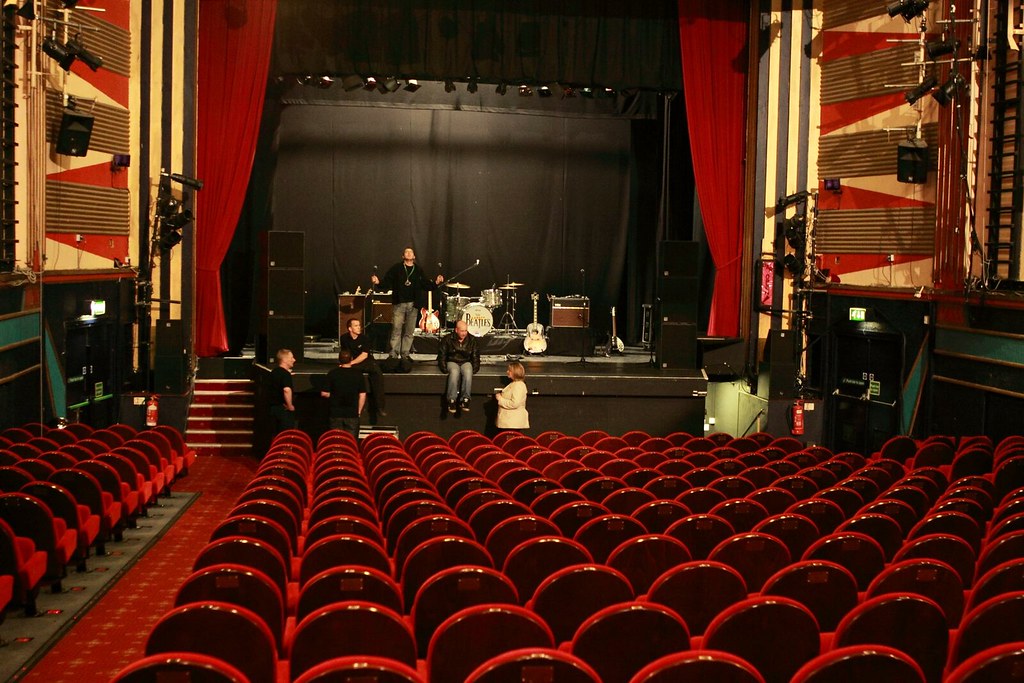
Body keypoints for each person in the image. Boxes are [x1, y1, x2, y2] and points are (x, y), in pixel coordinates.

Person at [371, 247, 443, 361]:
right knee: (396, 330)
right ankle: (394, 354)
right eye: (406, 252)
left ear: (414, 256)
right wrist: (378, 282)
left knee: (409, 331)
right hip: (399, 303)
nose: (409, 253)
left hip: (413, 305)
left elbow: (425, 284)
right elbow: (387, 281)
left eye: (411, 252)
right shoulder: (397, 268)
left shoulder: (418, 270)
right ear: (403, 256)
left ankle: (405, 354)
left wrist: (436, 283)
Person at [339, 317, 386, 415]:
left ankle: (380, 407)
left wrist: (352, 363)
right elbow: (346, 353)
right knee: (346, 373)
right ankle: (348, 405)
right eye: (356, 326)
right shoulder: (344, 338)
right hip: (353, 362)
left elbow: (364, 355)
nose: (359, 327)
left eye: (359, 325)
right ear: (350, 328)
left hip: (366, 361)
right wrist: (347, 363)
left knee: (377, 373)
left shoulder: (364, 339)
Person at [320, 348, 366, 438]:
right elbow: (362, 394)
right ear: (351, 359)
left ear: (339, 360)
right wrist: (359, 411)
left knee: (336, 441)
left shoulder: (332, 373)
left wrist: (333, 395)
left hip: (335, 413)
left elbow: (324, 393)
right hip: (352, 413)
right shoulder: (358, 374)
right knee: (350, 442)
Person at [438, 319, 480, 413]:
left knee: (468, 371)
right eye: (462, 331)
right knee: (454, 372)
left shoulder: (472, 340)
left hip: (465, 361)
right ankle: (451, 400)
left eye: (465, 330)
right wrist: (444, 368)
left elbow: (475, 356)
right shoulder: (448, 339)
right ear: (456, 330)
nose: (464, 333)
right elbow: (442, 355)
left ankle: (465, 399)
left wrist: (475, 369)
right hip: (452, 361)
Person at [267, 348, 296, 433]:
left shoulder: (274, 372)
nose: (294, 360)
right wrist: (290, 405)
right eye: (292, 358)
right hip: (283, 410)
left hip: (272, 410)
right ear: (285, 360)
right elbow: (286, 390)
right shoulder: (285, 375)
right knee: (285, 435)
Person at [495, 361, 530, 431]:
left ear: (515, 372)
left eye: (509, 370)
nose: (507, 372)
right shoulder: (514, 384)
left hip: (512, 423)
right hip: (509, 423)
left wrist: (500, 399)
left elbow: (515, 403)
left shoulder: (518, 385)